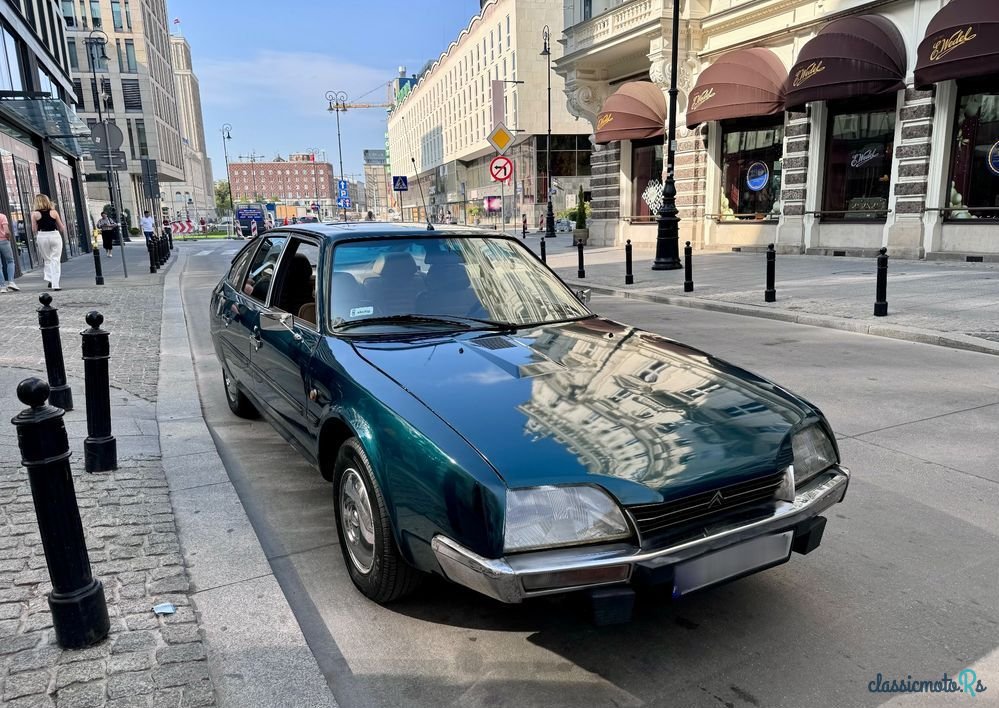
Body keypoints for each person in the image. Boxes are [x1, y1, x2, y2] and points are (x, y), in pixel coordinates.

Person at [31, 194, 66, 290]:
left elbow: (34, 229)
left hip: (42, 236)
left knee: (47, 259)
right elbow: (61, 227)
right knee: (55, 260)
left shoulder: (34, 214)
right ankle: (55, 284)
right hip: (54, 235)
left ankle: (50, 279)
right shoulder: (54, 212)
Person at [0, 211, 19, 293]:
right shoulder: (2, 216)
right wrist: (8, 238)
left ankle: (2, 286)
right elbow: (7, 231)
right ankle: (11, 282)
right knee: (10, 261)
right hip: (4, 241)